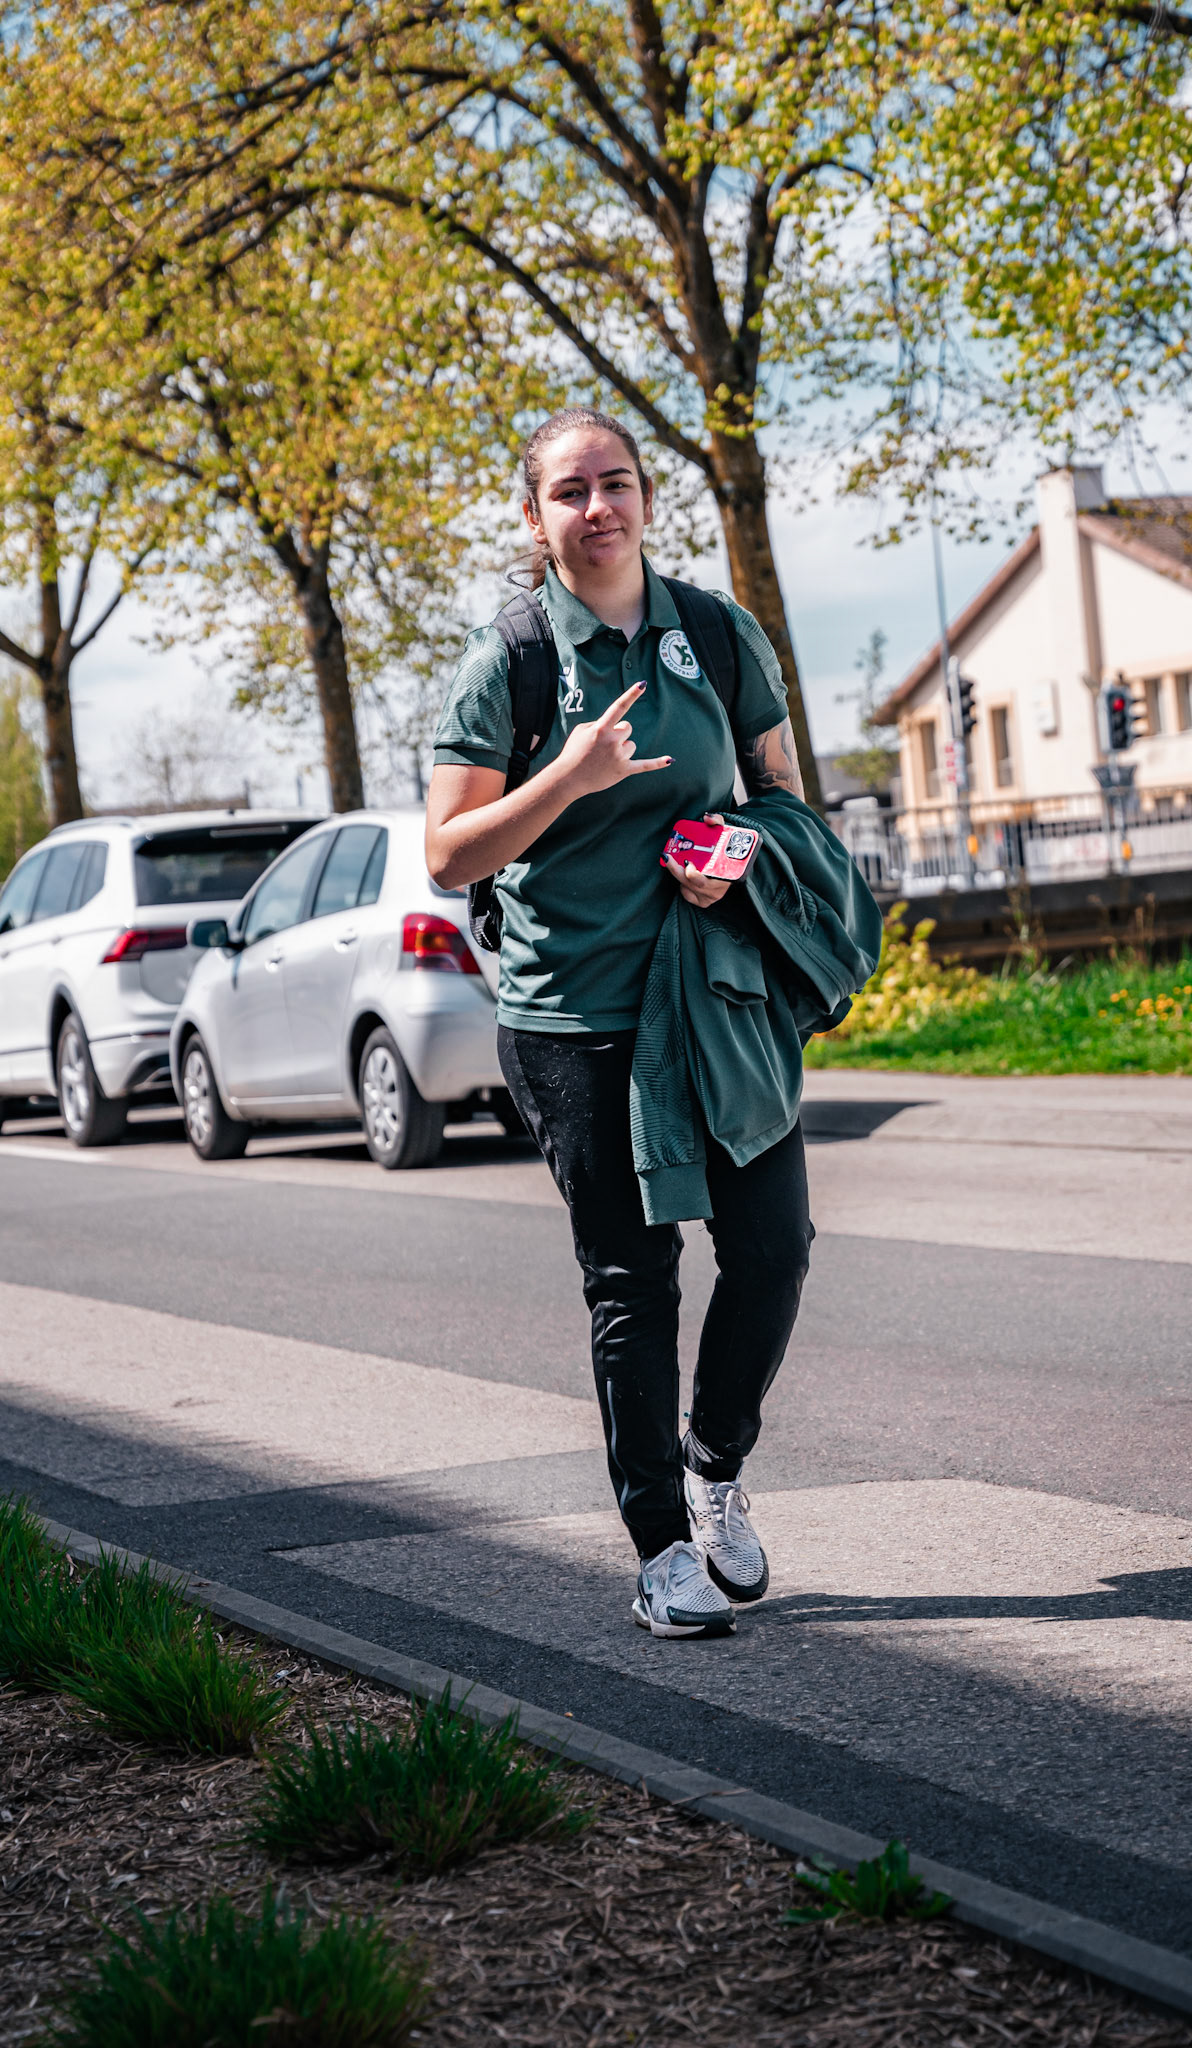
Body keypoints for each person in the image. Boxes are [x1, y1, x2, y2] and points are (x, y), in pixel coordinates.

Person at [425, 407, 815, 1642]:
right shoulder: (513, 659)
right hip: (574, 1017)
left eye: (618, 483)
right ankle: (659, 1545)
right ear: (534, 519)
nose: (599, 508)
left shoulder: (716, 630)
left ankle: (714, 1460)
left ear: (648, 497)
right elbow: (447, 852)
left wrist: (736, 849)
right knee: (632, 1278)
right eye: (571, 492)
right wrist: (572, 776)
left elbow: (784, 794)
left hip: (717, 997)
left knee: (772, 1245)